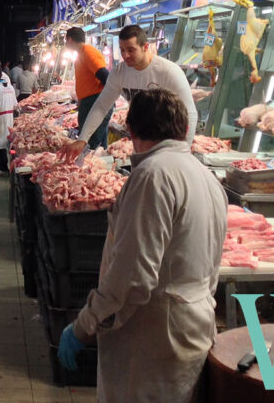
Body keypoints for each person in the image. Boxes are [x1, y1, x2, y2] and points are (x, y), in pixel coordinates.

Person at [57, 90, 226, 403]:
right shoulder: (208, 178)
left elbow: (133, 274)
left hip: (156, 336)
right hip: (195, 325)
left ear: (132, 131)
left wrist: (84, 325)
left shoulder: (152, 175)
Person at [70, 25, 198, 152]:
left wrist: (184, 150)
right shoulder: (119, 73)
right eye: (122, 50)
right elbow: (101, 107)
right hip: (140, 139)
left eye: (131, 50)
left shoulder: (169, 72)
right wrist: (82, 139)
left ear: (145, 47)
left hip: (168, 142)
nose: (125, 55)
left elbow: (190, 113)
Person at [65, 26, 112, 149]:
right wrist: (81, 100)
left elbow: (104, 75)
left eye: (65, 41)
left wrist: (105, 101)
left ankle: (96, 167)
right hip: (88, 102)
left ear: (69, 39)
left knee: (93, 145)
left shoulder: (88, 52)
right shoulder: (81, 54)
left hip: (95, 102)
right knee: (88, 142)